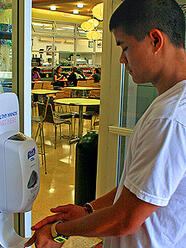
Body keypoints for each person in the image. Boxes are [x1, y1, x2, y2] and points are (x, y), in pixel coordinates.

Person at [25, 0, 186, 247]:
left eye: (126, 47)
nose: (122, 59)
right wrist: (89, 209)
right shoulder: (172, 105)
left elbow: (126, 219)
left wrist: (58, 230)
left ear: (155, 40)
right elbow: (137, 192)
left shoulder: (169, 116)